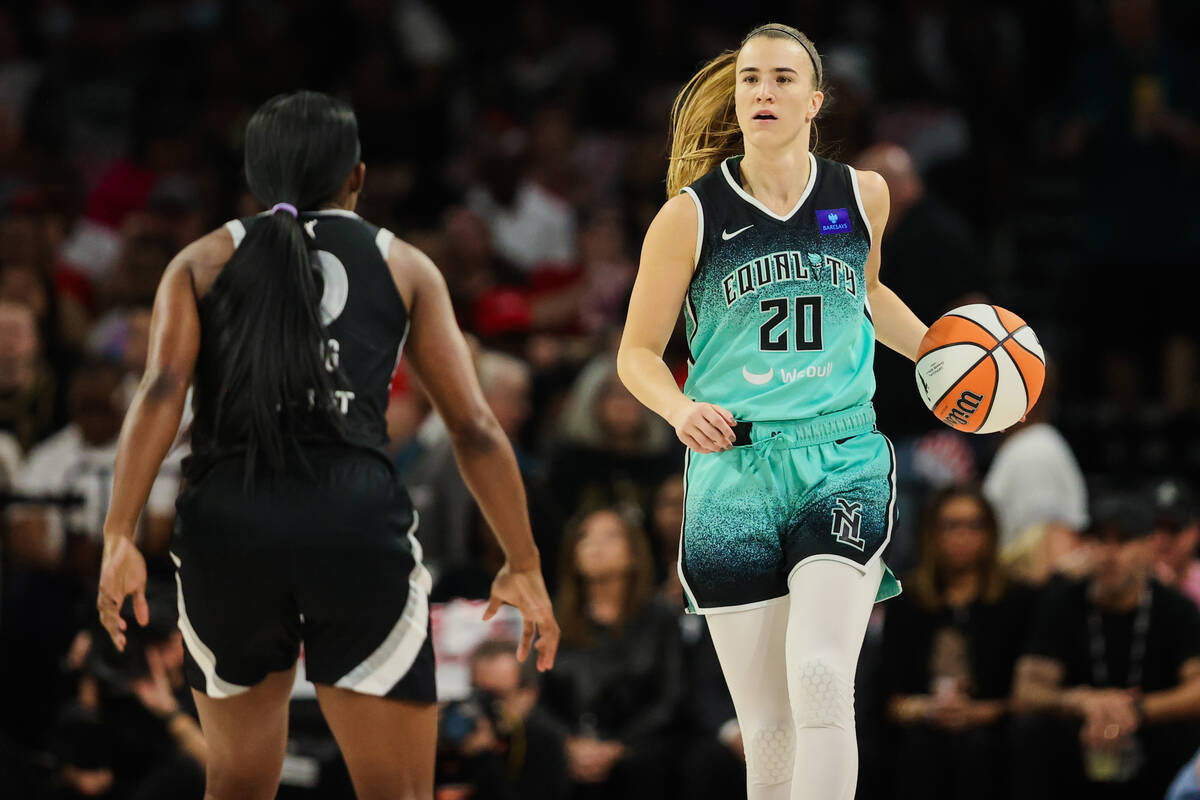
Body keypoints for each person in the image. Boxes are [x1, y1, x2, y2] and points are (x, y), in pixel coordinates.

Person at [93, 91, 558, 800]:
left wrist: (119, 532)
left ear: (253, 181)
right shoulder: (403, 264)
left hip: (229, 519)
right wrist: (522, 560)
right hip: (352, 520)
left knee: (238, 784)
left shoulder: (203, 258)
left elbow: (159, 393)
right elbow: (474, 427)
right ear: (358, 177)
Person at [617, 22, 930, 800]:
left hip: (841, 456)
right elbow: (635, 354)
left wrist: (937, 352)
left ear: (815, 100)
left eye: (783, 78)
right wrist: (677, 407)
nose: (764, 90)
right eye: (752, 77)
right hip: (734, 471)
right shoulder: (688, 217)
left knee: (821, 674)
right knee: (767, 728)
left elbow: (869, 291)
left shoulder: (864, 194)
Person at [1011, 493, 1200, 799]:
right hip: (1079, 736)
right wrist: (1080, 700)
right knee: (1032, 731)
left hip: (1150, 733)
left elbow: (1197, 689)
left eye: (1123, 540)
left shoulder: (1176, 609)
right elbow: (1026, 690)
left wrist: (1137, 710)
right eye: (1099, 539)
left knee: (1186, 732)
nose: (1109, 553)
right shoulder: (1063, 603)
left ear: (1148, 546)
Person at [879, 485, 1037, 800]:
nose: (962, 537)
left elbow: (1027, 696)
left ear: (990, 533)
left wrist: (979, 713)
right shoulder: (907, 599)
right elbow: (887, 697)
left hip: (994, 731)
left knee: (979, 747)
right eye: (951, 525)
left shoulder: (1019, 600)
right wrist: (927, 710)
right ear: (932, 533)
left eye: (973, 525)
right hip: (922, 729)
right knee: (920, 747)